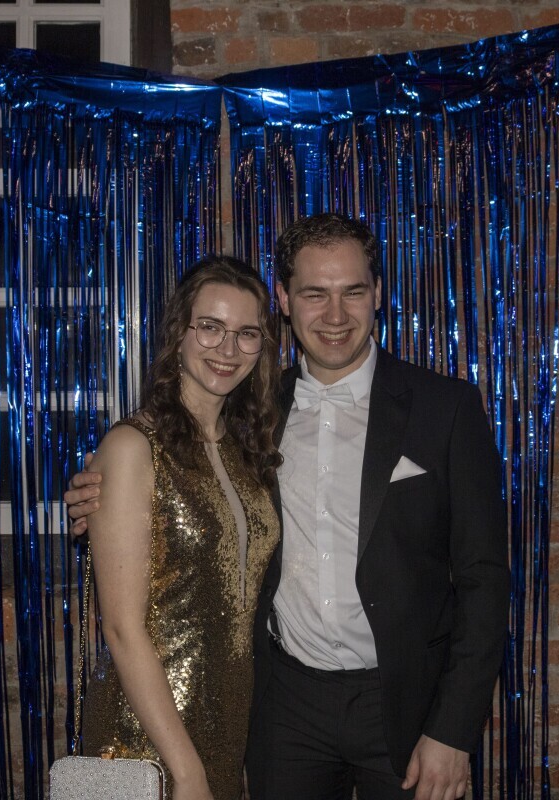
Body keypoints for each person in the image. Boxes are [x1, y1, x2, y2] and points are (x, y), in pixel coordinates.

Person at [66, 214, 510, 800]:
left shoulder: (444, 408)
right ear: (283, 300)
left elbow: (484, 580)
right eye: (314, 293)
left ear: (379, 293)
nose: (335, 315)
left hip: (406, 703)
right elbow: (168, 485)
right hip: (284, 709)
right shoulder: (255, 412)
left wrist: (453, 731)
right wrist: (99, 495)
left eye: (353, 291)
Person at [77, 255, 283, 800]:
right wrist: (186, 772)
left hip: (226, 725)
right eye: (210, 327)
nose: (227, 349)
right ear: (179, 333)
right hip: (144, 735)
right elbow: (121, 628)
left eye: (246, 334)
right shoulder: (133, 446)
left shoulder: (247, 450)